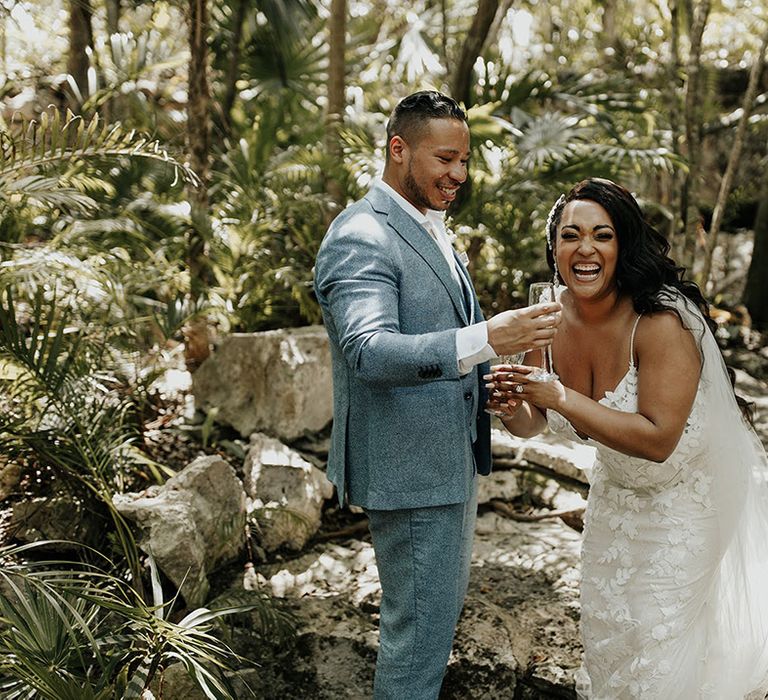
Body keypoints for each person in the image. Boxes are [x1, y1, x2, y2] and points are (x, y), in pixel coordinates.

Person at [313, 90, 561, 699]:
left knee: (430, 632)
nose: (459, 175)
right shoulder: (363, 235)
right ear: (399, 150)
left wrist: (487, 382)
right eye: (445, 160)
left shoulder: (429, 228)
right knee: (417, 644)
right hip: (410, 470)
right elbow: (369, 352)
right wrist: (484, 337)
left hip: (444, 463)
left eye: (465, 161)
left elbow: (436, 342)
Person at [486, 177, 768, 699]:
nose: (585, 248)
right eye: (571, 235)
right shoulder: (546, 315)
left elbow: (659, 439)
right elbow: (534, 420)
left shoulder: (660, 321)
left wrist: (559, 397)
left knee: (661, 654)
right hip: (616, 497)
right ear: (554, 248)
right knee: (612, 640)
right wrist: (508, 407)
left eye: (603, 235)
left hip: (686, 500)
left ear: (623, 245)